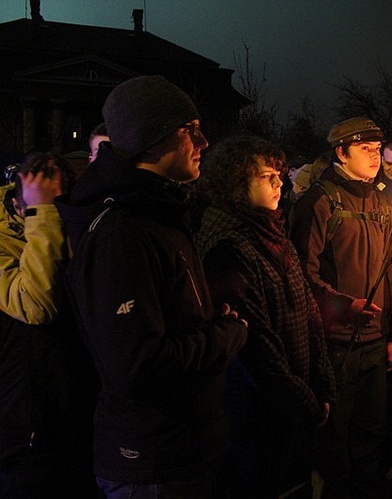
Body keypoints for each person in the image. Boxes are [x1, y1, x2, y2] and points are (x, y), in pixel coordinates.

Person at [56, 75, 248, 498]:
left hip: (182, 449)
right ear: (153, 137)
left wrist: (209, 317)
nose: (204, 142)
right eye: (190, 130)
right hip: (152, 463)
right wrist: (225, 336)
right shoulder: (122, 233)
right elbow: (138, 366)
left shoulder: (158, 213)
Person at [195, 135, 336, 497]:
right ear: (236, 183)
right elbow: (256, 351)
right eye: (267, 177)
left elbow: (309, 314)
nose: (280, 184)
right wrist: (305, 402)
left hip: (296, 402)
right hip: (256, 413)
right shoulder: (228, 249)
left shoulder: (276, 236)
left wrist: (322, 383)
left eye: (279, 175)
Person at [289, 116, 392, 498]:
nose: (375, 158)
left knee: (372, 433)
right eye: (365, 150)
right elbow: (302, 277)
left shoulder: (381, 200)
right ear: (341, 152)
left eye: (377, 150)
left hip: (375, 341)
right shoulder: (320, 202)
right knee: (335, 437)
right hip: (336, 343)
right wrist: (343, 306)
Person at [0, 153, 98, 498]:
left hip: (76, 421)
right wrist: (40, 213)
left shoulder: (64, 227)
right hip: (24, 439)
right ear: (15, 204)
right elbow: (36, 304)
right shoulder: (5, 241)